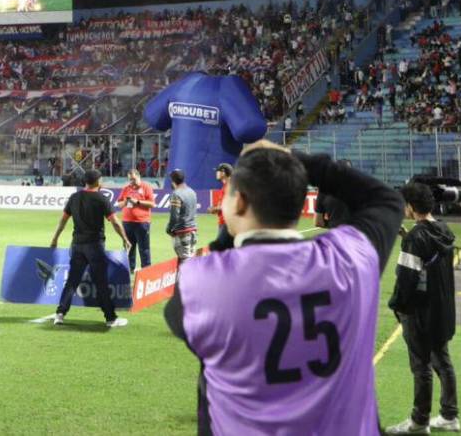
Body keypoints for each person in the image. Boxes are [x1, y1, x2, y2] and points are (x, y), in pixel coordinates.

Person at [164, 140, 402, 435]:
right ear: (301, 204)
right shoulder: (349, 259)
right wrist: (296, 161)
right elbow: (386, 200)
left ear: (239, 202)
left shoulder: (201, 281)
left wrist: (226, 236)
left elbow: (178, 319)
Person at [385, 181, 459, 434]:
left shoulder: (417, 237)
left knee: (421, 366)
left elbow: (407, 279)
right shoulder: (443, 229)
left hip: (420, 312)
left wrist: (397, 305)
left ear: (411, 206)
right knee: (443, 361)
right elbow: (431, 262)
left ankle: (419, 420)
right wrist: (409, 237)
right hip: (442, 311)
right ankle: (450, 415)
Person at [47, 168, 131, 328]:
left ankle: (60, 314)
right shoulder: (101, 199)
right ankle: (110, 318)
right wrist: (125, 238)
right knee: (101, 282)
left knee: (72, 281)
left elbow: (63, 221)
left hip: (77, 244)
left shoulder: (74, 197)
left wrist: (55, 239)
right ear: (98, 182)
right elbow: (114, 221)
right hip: (95, 245)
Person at [115, 168, 155, 271]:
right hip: (127, 222)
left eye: (133, 179)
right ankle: (129, 268)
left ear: (138, 176)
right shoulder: (126, 188)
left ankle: (146, 269)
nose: (132, 182)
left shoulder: (146, 187)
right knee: (129, 247)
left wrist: (137, 202)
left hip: (142, 222)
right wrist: (126, 202)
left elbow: (152, 204)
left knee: (144, 248)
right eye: (130, 180)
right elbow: (119, 204)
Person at [166, 169, 198, 267]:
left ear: (173, 180)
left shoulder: (176, 194)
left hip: (182, 232)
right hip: (193, 231)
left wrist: (169, 229)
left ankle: (186, 282)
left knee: (184, 263)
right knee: (190, 259)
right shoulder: (192, 191)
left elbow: (174, 216)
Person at [207, 163, 233, 251]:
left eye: (217, 171)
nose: (216, 173)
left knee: (222, 252)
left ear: (223, 173)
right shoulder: (225, 186)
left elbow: (230, 205)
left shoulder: (230, 186)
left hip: (227, 224)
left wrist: (215, 208)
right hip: (224, 222)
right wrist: (216, 209)